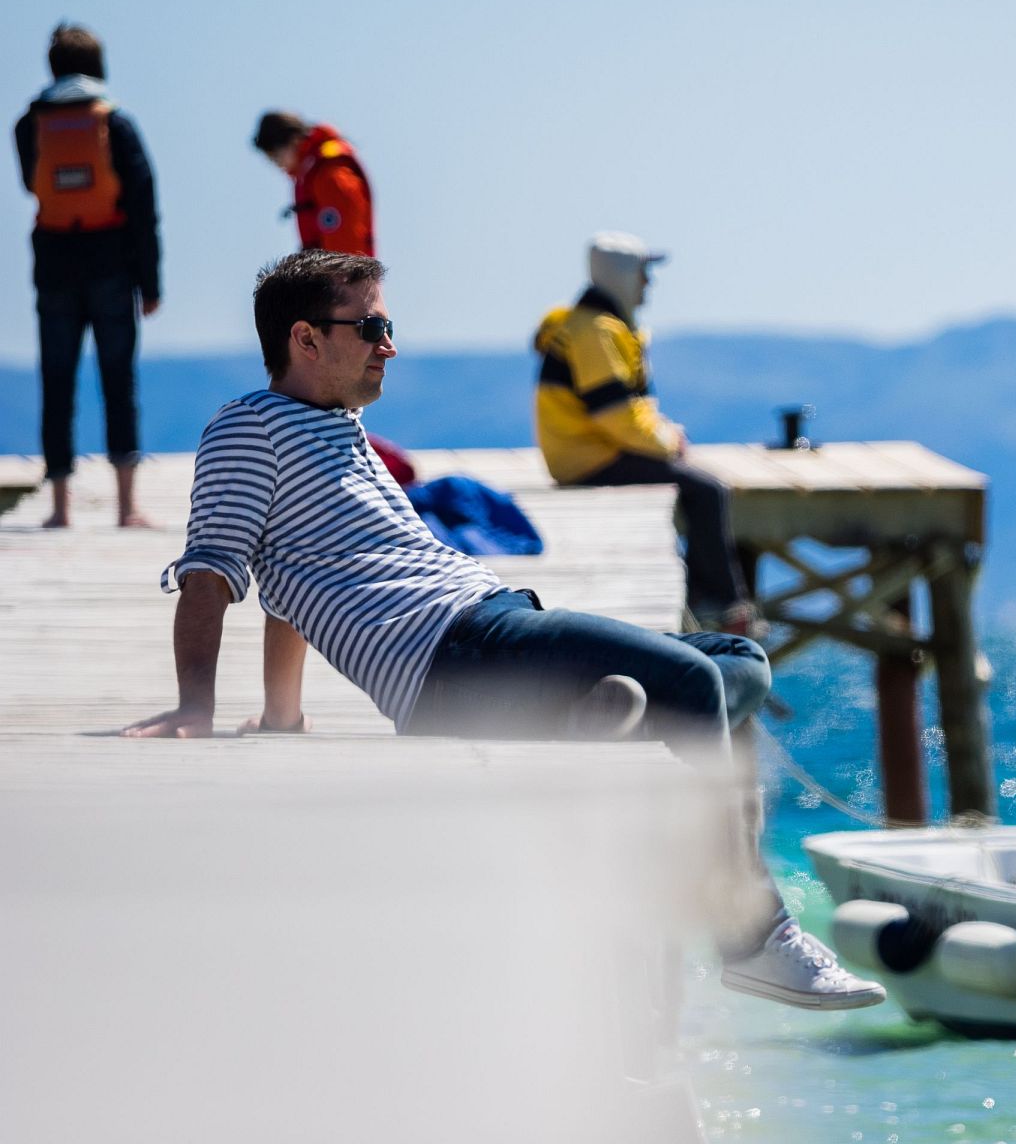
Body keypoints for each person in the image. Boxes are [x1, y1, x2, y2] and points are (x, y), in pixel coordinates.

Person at [121, 250, 880, 1012]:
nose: (390, 345)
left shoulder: (338, 430)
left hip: (493, 626)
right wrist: (196, 708)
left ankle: (600, 729)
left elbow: (290, 580)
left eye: (390, 325)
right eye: (372, 326)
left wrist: (282, 712)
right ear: (306, 340)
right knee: (692, 683)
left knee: (737, 657)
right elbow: (213, 570)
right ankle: (753, 940)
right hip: (450, 659)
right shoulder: (249, 429)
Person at [534, 233, 758, 633]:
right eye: (643, 273)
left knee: (698, 486)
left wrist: (662, 435)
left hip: (584, 452)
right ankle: (722, 606)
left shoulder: (592, 325)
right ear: (622, 275)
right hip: (590, 458)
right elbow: (615, 414)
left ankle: (708, 598)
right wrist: (668, 442)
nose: (648, 284)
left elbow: (623, 410)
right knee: (708, 491)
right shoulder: (597, 332)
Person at [14, 23, 161, 528]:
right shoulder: (116, 122)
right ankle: (126, 507)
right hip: (112, 267)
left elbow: (30, 186)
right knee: (118, 382)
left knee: (57, 383)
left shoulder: (28, 123)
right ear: (99, 66)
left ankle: (59, 509)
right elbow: (144, 205)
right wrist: (151, 281)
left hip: (54, 266)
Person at [251, 111, 375, 256]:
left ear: (294, 141)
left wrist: (340, 277)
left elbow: (346, 238)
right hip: (334, 273)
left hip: (344, 274)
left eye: (275, 156)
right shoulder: (314, 173)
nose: (278, 165)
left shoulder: (329, 173)